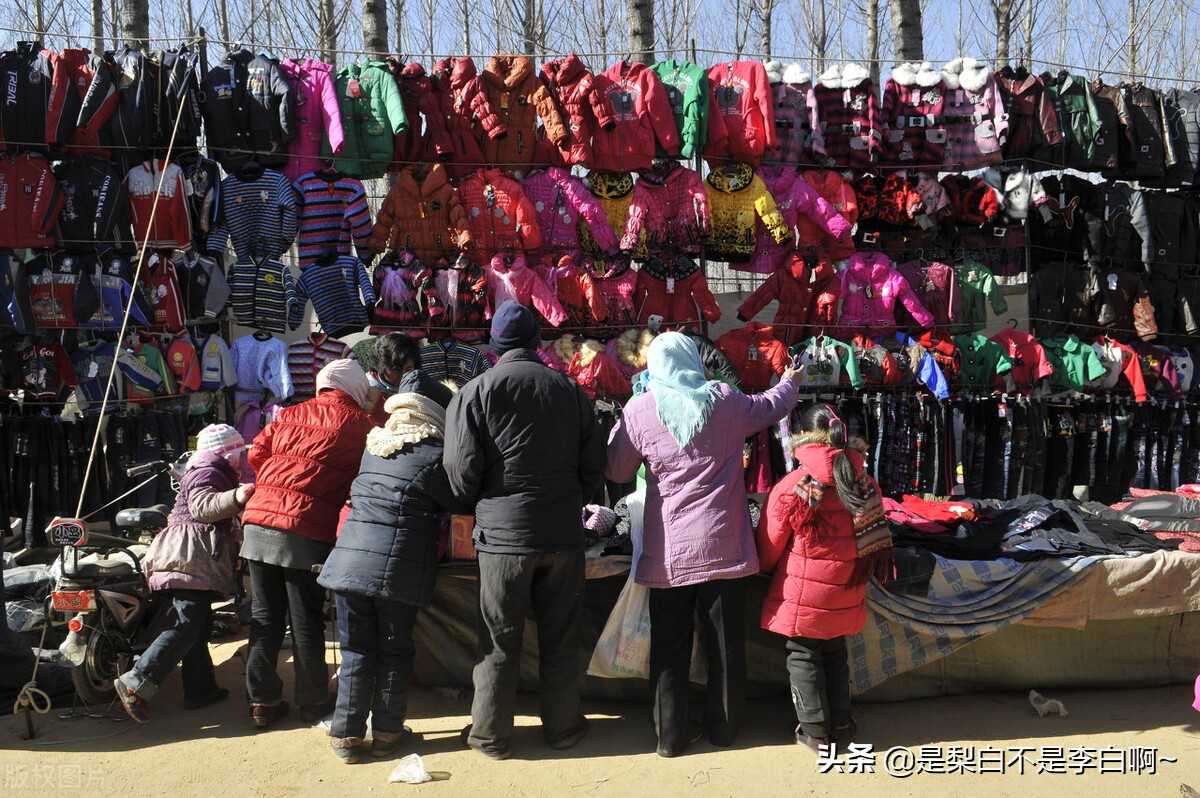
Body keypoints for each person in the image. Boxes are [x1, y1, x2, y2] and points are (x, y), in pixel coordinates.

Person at [605, 332, 800, 757]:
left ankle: (670, 737)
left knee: (669, 647)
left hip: (668, 553)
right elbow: (773, 405)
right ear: (694, 359)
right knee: (725, 645)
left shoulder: (640, 409)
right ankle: (725, 730)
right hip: (723, 546)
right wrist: (792, 379)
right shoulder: (725, 400)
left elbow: (617, 468)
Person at [443, 300, 605, 759]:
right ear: (537, 342)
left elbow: (460, 473)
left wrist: (487, 504)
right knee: (560, 637)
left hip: (502, 538)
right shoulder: (570, 390)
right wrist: (564, 499)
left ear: (495, 345)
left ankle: (491, 735)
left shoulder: (474, 393)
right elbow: (595, 467)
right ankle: (563, 728)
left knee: (497, 639)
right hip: (561, 534)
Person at [316, 384, 468, 763]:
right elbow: (459, 500)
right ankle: (386, 732)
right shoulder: (435, 454)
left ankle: (346, 737)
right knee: (395, 652)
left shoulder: (374, 447)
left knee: (355, 651)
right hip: (396, 568)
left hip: (348, 562)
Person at [240, 359, 377, 728]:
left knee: (265, 617)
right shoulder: (364, 425)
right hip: (306, 526)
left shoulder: (289, 413)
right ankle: (313, 701)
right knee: (306, 617)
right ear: (356, 387)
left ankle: (262, 701)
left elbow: (256, 453)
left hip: (256, 519)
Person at [755, 403, 890, 750]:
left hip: (803, 592)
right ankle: (842, 726)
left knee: (803, 654)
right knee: (834, 651)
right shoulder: (864, 481)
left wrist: (766, 569)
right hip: (847, 587)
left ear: (803, 438)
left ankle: (814, 731)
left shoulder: (792, 485)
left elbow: (769, 545)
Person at [114, 424, 254, 722]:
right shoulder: (209, 469)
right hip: (189, 557)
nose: (243, 459)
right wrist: (238, 497)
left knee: (197, 625)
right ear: (227, 452)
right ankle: (136, 681)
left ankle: (200, 690)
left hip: (190, 557)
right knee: (186, 623)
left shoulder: (210, 469)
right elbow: (203, 507)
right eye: (240, 453)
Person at [363, 333, 454, 425]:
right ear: (381, 367)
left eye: (409, 369)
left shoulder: (422, 387)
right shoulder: (365, 392)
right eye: (396, 370)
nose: (404, 376)